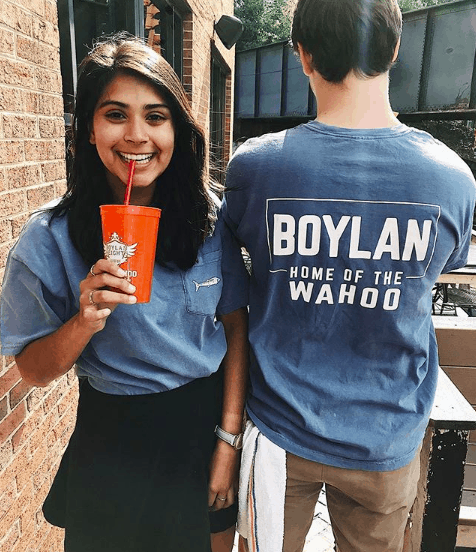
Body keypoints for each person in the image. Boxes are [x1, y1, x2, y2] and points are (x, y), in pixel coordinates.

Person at [222, 1, 476, 551]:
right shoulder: (452, 180)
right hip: (386, 435)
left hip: (278, 430)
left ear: (302, 55)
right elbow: (440, 269)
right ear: (395, 48)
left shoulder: (255, 167)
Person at [0, 33, 249, 552]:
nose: (137, 135)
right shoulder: (48, 239)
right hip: (112, 438)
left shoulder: (211, 220)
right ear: (89, 129)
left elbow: (235, 327)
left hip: (203, 429)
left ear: (176, 130)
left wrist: (228, 441)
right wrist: (83, 321)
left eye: (156, 117)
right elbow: (33, 371)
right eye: (116, 114)